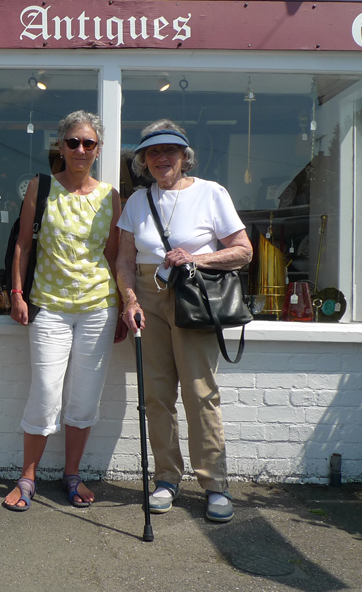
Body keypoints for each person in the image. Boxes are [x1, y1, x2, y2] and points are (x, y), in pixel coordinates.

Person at [116, 119, 252, 523]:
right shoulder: (137, 201)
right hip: (148, 296)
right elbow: (124, 259)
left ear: (184, 156)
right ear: (143, 160)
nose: (161, 158)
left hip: (193, 295)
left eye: (169, 151)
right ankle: (166, 479)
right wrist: (129, 299)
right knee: (156, 394)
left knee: (199, 391)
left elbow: (243, 251)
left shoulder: (212, 193)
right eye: (153, 152)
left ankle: (214, 484)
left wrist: (196, 258)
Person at [3, 110, 122, 511]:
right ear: (61, 145)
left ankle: (73, 473)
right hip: (49, 307)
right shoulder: (41, 188)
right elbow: (23, 244)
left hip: (98, 308)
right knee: (46, 393)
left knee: (85, 398)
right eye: (73, 142)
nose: (81, 149)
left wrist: (123, 305)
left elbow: (114, 256)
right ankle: (28, 476)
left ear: (98, 149)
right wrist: (17, 293)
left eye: (89, 143)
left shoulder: (111, 197)